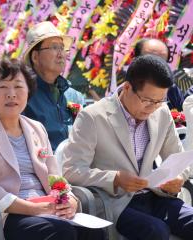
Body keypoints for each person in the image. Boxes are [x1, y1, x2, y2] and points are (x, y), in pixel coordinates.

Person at [0, 59, 104, 240]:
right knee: (59, 231)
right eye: (3, 87)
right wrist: (33, 209)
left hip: (46, 208)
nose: (11, 94)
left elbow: (55, 177)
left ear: (28, 92)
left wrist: (70, 201)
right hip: (4, 214)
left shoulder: (36, 128)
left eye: (19, 87)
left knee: (95, 231)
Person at [62, 55, 193, 239]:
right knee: (155, 231)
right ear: (127, 87)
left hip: (155, 196)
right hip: (114, 203)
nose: (152, 108)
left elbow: (178, 157)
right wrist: (114, 178)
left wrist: (178, 178)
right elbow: (71, 170)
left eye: (160, 101)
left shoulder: (161, 112)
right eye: (147, 100)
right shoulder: (93, 116)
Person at [22, 21, 85, 151]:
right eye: (54, 47)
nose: (61, 54)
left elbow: (85, 132)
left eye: (62, 48)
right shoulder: (23, 95)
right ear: (35, 56)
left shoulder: (73, 95)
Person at [134, 38, 185, 111]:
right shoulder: (126, 87)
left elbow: (182, 115)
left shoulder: (171, 89)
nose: (156, 63)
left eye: (161, 58)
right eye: (150, 57)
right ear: (136, 58)